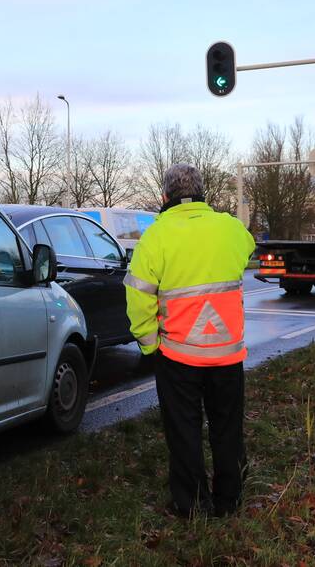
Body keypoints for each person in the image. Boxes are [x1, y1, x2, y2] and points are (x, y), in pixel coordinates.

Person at [124, 163, 256, 517]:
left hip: (178, 354)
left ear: (164, 197)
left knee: (184, 431)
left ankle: (192, 505)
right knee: (227, 428)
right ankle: (229, 500)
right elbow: (247, 249)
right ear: (203, 194)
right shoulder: (230, 228)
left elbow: (138, 300)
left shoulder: (155, 237)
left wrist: (151, 346)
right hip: (228, 354)